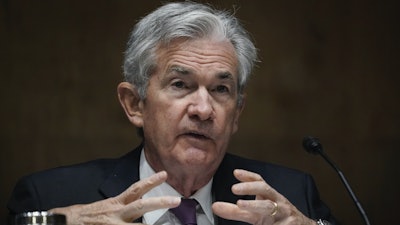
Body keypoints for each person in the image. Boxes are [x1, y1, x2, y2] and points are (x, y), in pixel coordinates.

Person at [8, 2, 337, 225]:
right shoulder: (52, 198)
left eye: (221, 90)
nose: (204, 109)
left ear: (237, 113)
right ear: (134, 103)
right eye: (180, 84)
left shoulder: (291, 197)